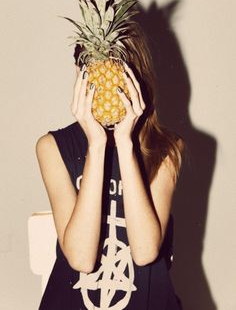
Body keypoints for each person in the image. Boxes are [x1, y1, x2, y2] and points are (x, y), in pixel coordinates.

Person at [36, 20, 185, 310]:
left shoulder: (166, 149)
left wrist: (126, 144)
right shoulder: (52, 147)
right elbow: (80, 258)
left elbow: (144, 252)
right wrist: (97, 145)